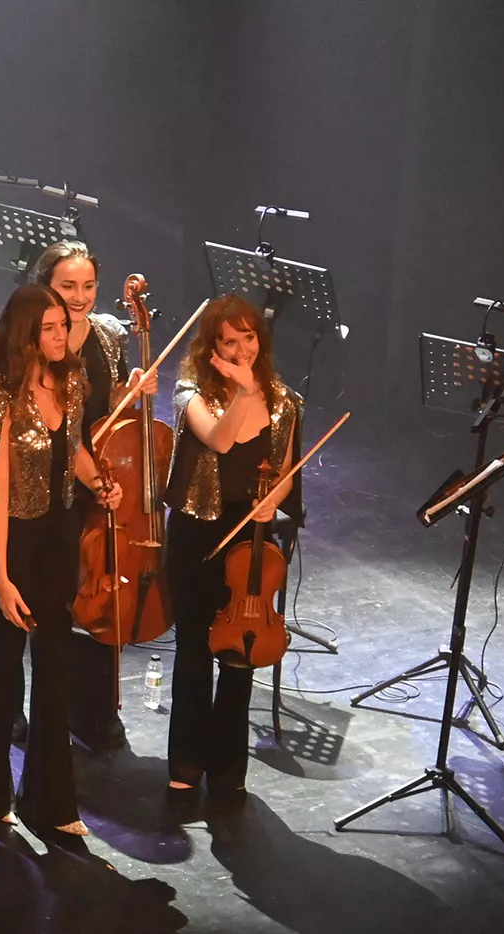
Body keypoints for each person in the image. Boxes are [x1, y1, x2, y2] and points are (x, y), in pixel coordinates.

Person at [0, 285, 121, 838]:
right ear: (26, 335)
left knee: (55, 667)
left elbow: (76, 450)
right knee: (2, 665)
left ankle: (50, 802)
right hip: (10, 541)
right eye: (49, 328)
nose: (62, 335)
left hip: (59, 538)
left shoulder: (74, 381)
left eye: (63, 325)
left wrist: (100, 483)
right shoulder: (1, 393)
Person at [163, 295, 301, 798]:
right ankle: (186, 759)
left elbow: (286, 471)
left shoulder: (285, 402)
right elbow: (219, 442)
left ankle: (228, 767)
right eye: (228, 340)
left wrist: (274, 501)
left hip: (251, 535)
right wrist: (244, 392)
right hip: (199, 532)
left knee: (239, 654)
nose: (241, 348)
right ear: (211, 346)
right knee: (195, 649)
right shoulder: (189, 392)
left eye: (248, 338)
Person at [34, 240, 157, 752]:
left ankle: (92, 709)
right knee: (38, 598)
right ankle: (27, 709)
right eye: (68, 286)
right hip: (44, 475)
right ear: (46, 286)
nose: (79, 297)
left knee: (95, 586)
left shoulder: (108, 335)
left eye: (88, 286)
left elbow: (107, 410)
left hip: (97, 473)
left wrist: (132, 390)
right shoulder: (35, 334)